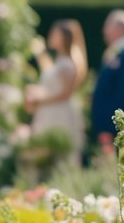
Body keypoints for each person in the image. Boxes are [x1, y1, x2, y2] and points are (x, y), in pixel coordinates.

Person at [25, 19, 87, 166]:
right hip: (50, 111)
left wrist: (40, 99)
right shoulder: (59, 61)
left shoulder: (66, 64)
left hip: (59, 113)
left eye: (55, 34)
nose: (51, 36)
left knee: (59, 154)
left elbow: (66, 93)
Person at [90, 10, 124, 150]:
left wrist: (112, 128)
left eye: (108, 26)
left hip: (114, 129)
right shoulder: (120, 52)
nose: (104, 31)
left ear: (120, 29)